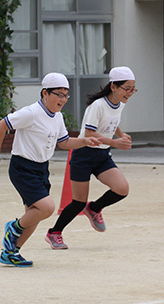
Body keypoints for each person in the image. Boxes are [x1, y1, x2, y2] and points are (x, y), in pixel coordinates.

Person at [0, 73, 100, 267]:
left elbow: (63, 143)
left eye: (66, 95)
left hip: (41, 168)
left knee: (34, 215)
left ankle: (10, 253)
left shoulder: (57, 117)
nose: (63, 100)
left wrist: (84, 141)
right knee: (46, 208)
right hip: (23, 167)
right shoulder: (31, 112)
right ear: (45, 93)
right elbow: (1, 125)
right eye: (59, 94)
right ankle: (12, 227)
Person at [45, 66, 136, 250]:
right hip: (84, 154)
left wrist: (120, 134)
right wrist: (115, 142)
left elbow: (113, 121)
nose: (130, 93)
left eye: (133, 88)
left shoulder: (120, 103)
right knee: (78, 202)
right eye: (127, 88)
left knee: (122, 188)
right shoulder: (98, 106)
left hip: (102, 155)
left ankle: (94, 208)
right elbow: (89, 134)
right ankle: (54, 232)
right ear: (113, 87)